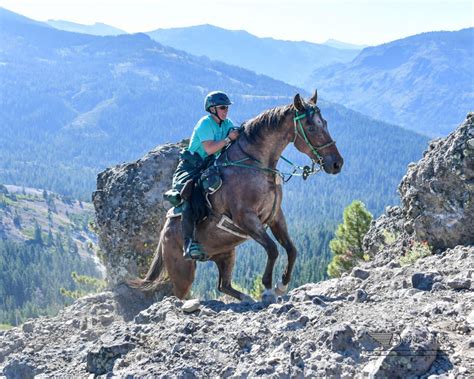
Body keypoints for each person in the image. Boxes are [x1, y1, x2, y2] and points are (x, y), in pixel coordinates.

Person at [165, 91, 240, 260]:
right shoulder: (205, 123)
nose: (226, 110)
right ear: (212, 109)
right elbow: (209, 149)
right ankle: (188, 244)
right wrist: (229, 139)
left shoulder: (226, 123)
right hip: (191, 167)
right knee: (189, 196)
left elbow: (236, 134)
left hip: (209, 166)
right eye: (222, 107)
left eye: (227, 107)